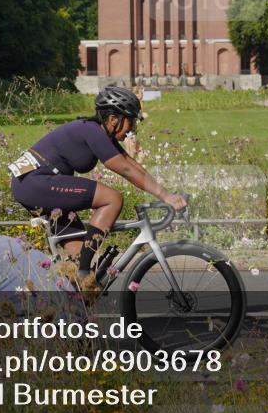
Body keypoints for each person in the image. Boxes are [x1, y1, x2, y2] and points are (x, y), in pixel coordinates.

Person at [10, 86, 186, 291]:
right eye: (131, 120)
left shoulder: (97, 131)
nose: (133, 128)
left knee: (76, 261)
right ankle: (85, 274)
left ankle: (76, 298)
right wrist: (165, 196)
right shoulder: (92, 132)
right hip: (35, 182)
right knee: (112, 198)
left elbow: (130, 162)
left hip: (34, 183)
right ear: (113, 119)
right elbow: (126, 170)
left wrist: (166, 192)